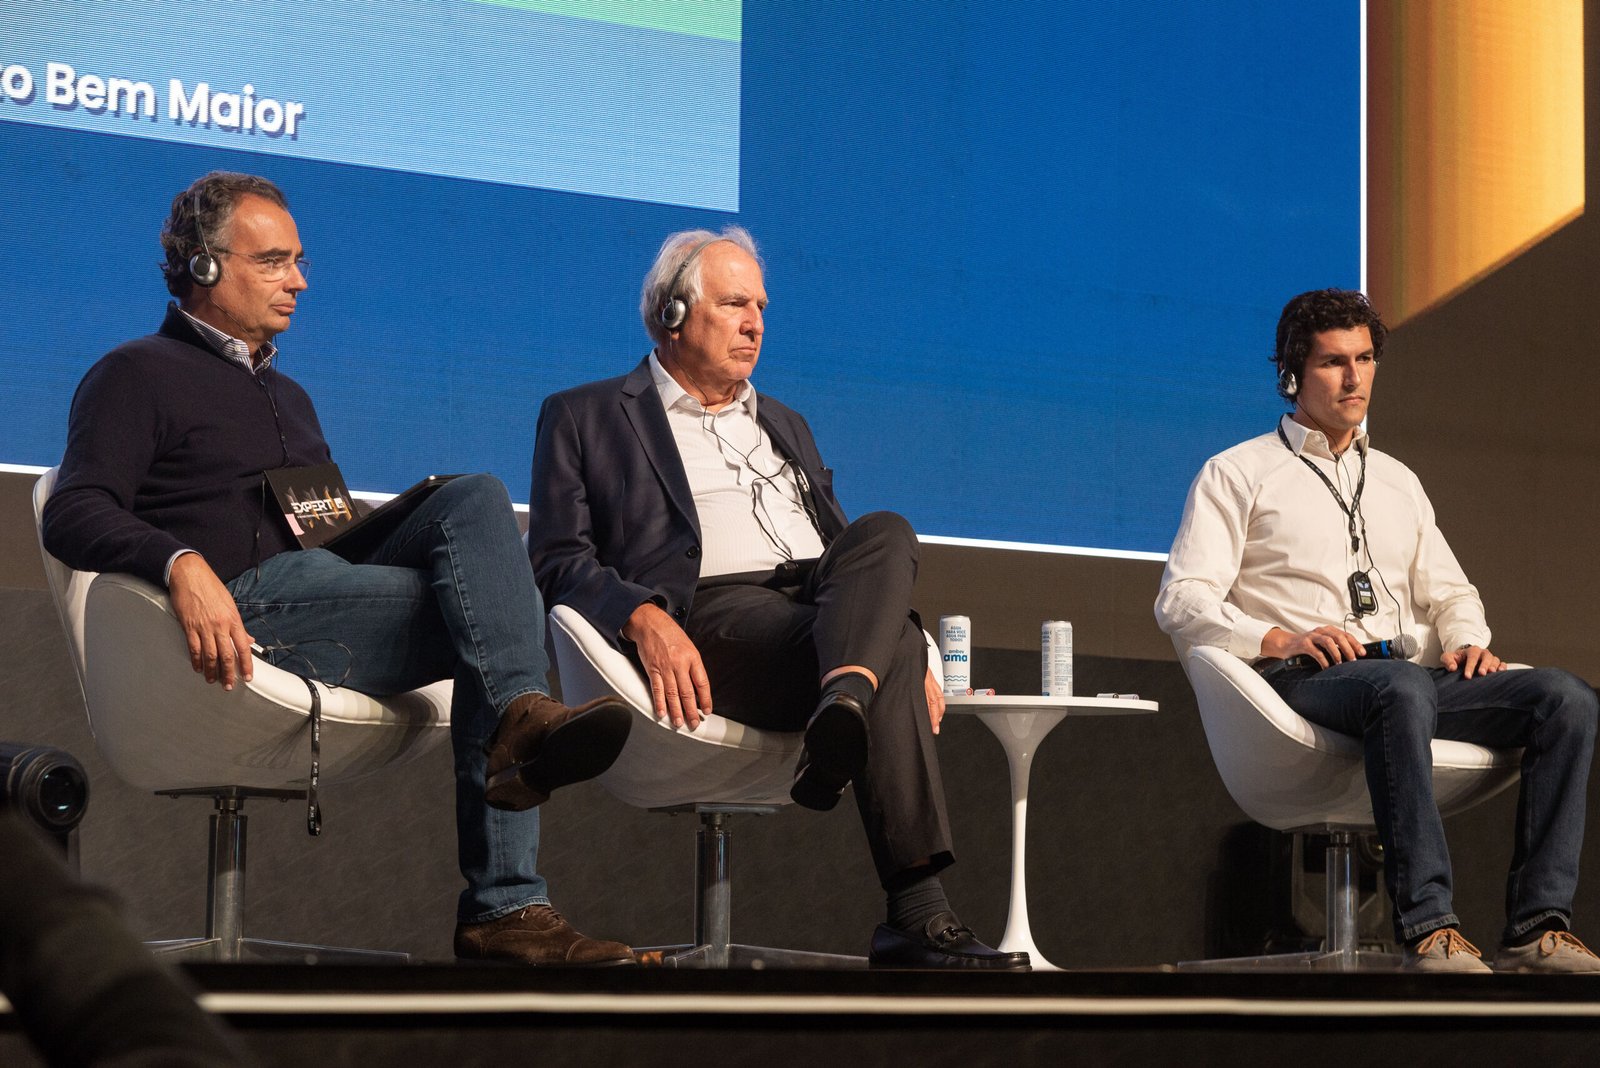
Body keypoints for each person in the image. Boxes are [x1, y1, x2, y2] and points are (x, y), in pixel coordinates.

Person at [41, 171, 633, 967]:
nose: (299, 281)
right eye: (274, 262)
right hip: (245, 613)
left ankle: (521, 739)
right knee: (506, 622)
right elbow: (74, 511)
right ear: (205, 267)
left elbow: (319, 533)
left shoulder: (289, 395)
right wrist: (178, 562)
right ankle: (507, 902)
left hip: (321, 585)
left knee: (479, 501)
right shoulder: (135, 372)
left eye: (300, 261)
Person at [526, 226, 1027, 969]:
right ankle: (917, 915)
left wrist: (910, 635)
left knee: (887, 531)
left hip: (821, 612)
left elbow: (853, 558)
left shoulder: (786, 422)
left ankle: (843, 704)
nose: (755, 323)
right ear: (672, 315)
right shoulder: (587, 414)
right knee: (888, 644)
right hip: (715, 619)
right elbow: (557, 559)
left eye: (761, 307)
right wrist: (641, 615)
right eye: (735, 304)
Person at [1156, 288, 1600, 972]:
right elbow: (1181, 599)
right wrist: (1280, 638)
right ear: (1292, 374)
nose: (1354, 378)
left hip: (1405, 678)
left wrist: (1465, 637)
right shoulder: (1238, 472)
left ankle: (1537, 926)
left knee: (1565, 698)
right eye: (1333, 362)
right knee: (1400, 687)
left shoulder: (1397, 481)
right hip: (1303, 681)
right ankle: (1429, 925)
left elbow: (1451, 590)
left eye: (1364, 359)